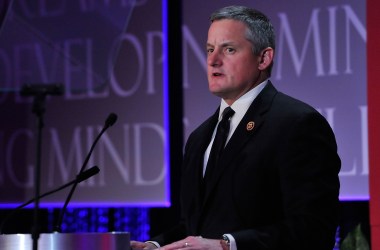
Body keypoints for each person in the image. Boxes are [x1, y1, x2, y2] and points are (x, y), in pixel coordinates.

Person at [131, 5, 341, 250]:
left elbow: (313, 230)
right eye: (210, 49)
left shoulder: (298, 124)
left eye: (228, 49)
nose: (212, 60)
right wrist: (155, 246)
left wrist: (227, 246)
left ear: (263, 58)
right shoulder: (199, 137)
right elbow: (195, 227)